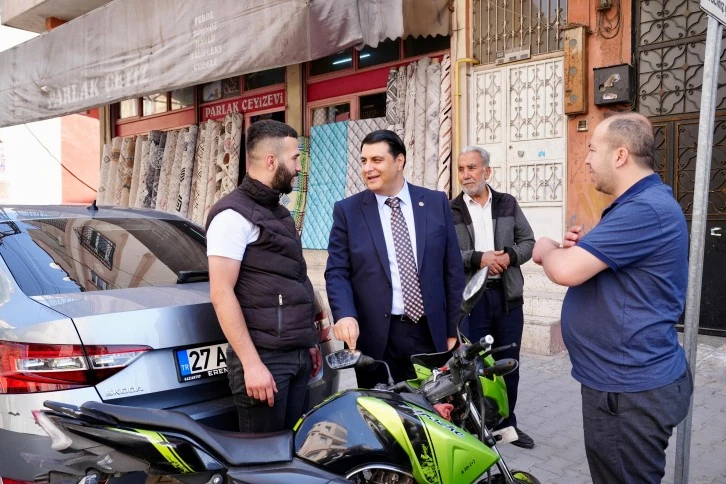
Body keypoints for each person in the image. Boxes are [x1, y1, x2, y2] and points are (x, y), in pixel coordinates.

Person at [532, 113, 693, 483]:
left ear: (620, 156)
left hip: (629, 392)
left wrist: (546, 248)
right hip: (623, 386)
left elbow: (565, 271)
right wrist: (583, 248)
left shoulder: (644, 208)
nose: (586, 160)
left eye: (592, 149)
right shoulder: (638, 203)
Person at [325, 129, 465, 388]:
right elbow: (337, 272)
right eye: (364, 161)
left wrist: (452, 330)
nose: (367, 168)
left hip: (429, 333)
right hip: (375, 340)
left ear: (399, 161)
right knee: (379, 408)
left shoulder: (435, 203)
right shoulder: (348, 211)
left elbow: (453, 271)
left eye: (376, 160)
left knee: (435, 405)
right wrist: (344, 314)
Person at [206, 119, 321, 433]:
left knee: (294, 451)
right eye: (295, 158)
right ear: (272, 161)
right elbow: (221, 293)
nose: (299, 167)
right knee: (264, 456)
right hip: (265, 360)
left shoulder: (279, 213)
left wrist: (308, 342)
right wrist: (251, 364)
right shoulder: (232, 216)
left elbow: (293, 278)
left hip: (295, 356)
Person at [450, 146, 536, 449]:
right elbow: (446, 254)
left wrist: (508, 257)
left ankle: (507, 425)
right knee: (475, 367)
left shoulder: (507, 203)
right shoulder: (451, 209)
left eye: (471, 168)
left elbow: (528, 241)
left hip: (507, 298)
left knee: (508, 364)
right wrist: (479, 258)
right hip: (473, 302)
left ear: (487, 171)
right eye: (461, 169)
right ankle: (477, 428)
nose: (465, 175)